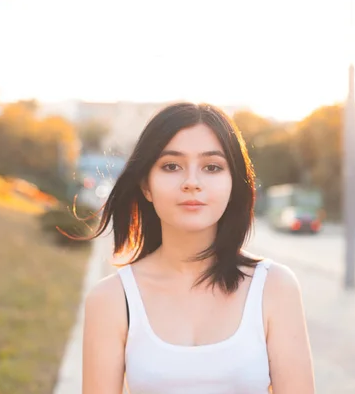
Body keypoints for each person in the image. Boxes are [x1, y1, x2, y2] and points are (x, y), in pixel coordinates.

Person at [82, 102, 315, 394]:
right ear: (146, 185)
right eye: (171, 166)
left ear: (234, 183)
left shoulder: (274, 287)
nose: (192, 182)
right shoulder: (111, 299)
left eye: (212, 167)